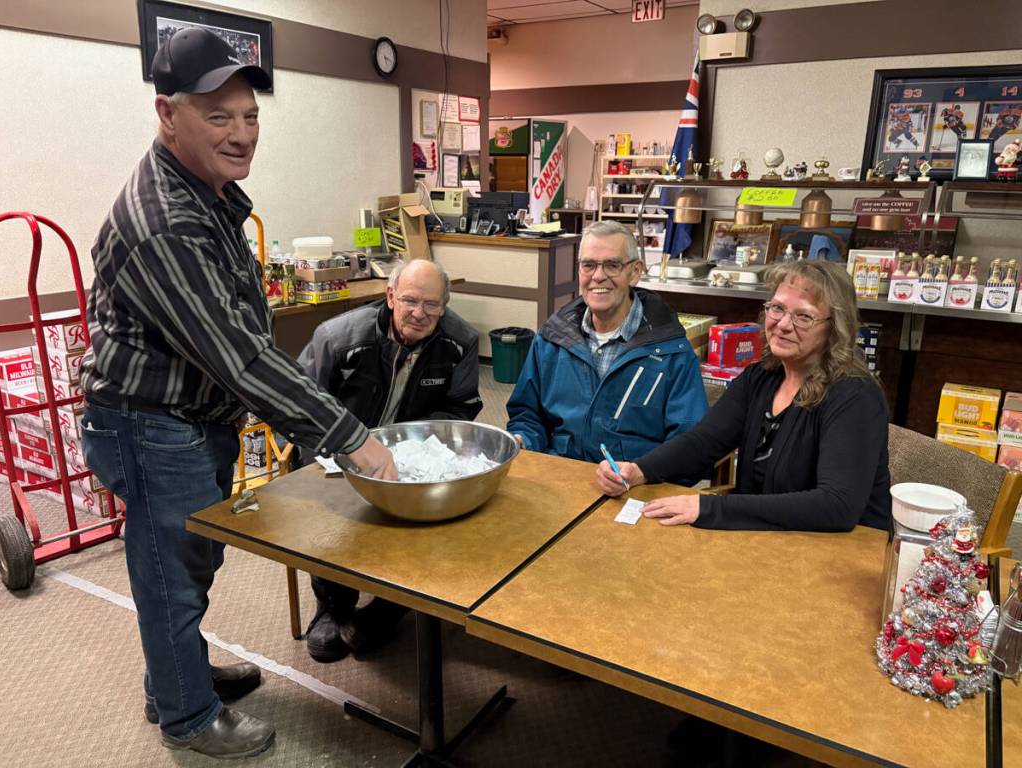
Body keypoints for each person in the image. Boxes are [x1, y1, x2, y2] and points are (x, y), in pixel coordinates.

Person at [79, 28, 396, 759]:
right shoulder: (163, 220)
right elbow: (240, 358)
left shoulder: (208, 192)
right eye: (218, 115)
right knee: (170, 575)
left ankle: (177, 679)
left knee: (191, 561)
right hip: (150, 421)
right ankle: (186, 715)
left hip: (189, 418)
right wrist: (351, 438)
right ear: (168, 114)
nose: (242, 132)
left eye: (250, 115)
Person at [596, 259, 891, 533]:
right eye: (777, 308)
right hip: (770, 543)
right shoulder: (761, 376)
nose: (783, 324)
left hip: (843, 559)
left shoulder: (855, 396)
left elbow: (837, 506)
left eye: (804, 316)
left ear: (834, 328)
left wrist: (710, 507)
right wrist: (639, 470)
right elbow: (703, 443)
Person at [295, 259, 482, 662]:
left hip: (414, 453)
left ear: (445, 306)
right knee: (330, 515)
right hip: (339, 451)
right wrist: (337, 454)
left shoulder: (461, 340)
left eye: (431, 305)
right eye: (410, 300)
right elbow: (303, 406)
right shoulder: (338, 337)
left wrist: (410, 451)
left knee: (437, 512)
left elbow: (461, 407)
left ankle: (390, 607)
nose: (419, 313)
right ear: (391, 296)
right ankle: (332, 606)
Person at [506, 220, 707, 464]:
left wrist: (642, 473)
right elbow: (527, 414)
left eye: (612, 265)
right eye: (588, 265)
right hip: (562, 477)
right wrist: (522, 440)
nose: (598, 276)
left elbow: (689, 443)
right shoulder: (552, 339)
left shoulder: (671, 352)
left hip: (635, 488)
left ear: (635, 272)